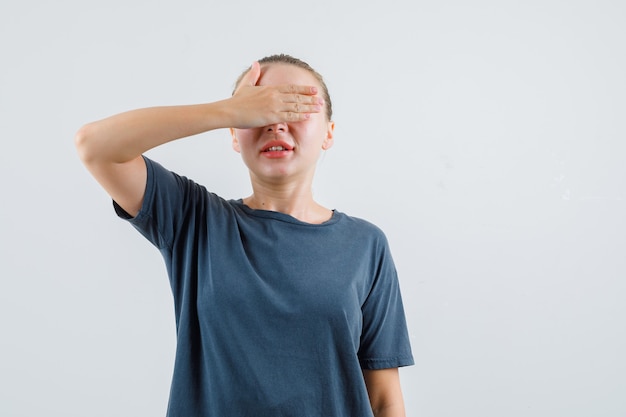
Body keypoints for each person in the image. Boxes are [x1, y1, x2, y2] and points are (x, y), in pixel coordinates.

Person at [75, 53, 414, 417]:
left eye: (295, 106)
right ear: (235, 136)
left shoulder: (365, 244)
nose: (275, 123)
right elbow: (95, 146)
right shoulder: (194, 219)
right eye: (260, 108)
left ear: (329, 133)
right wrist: (226, 111)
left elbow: (384, 399)